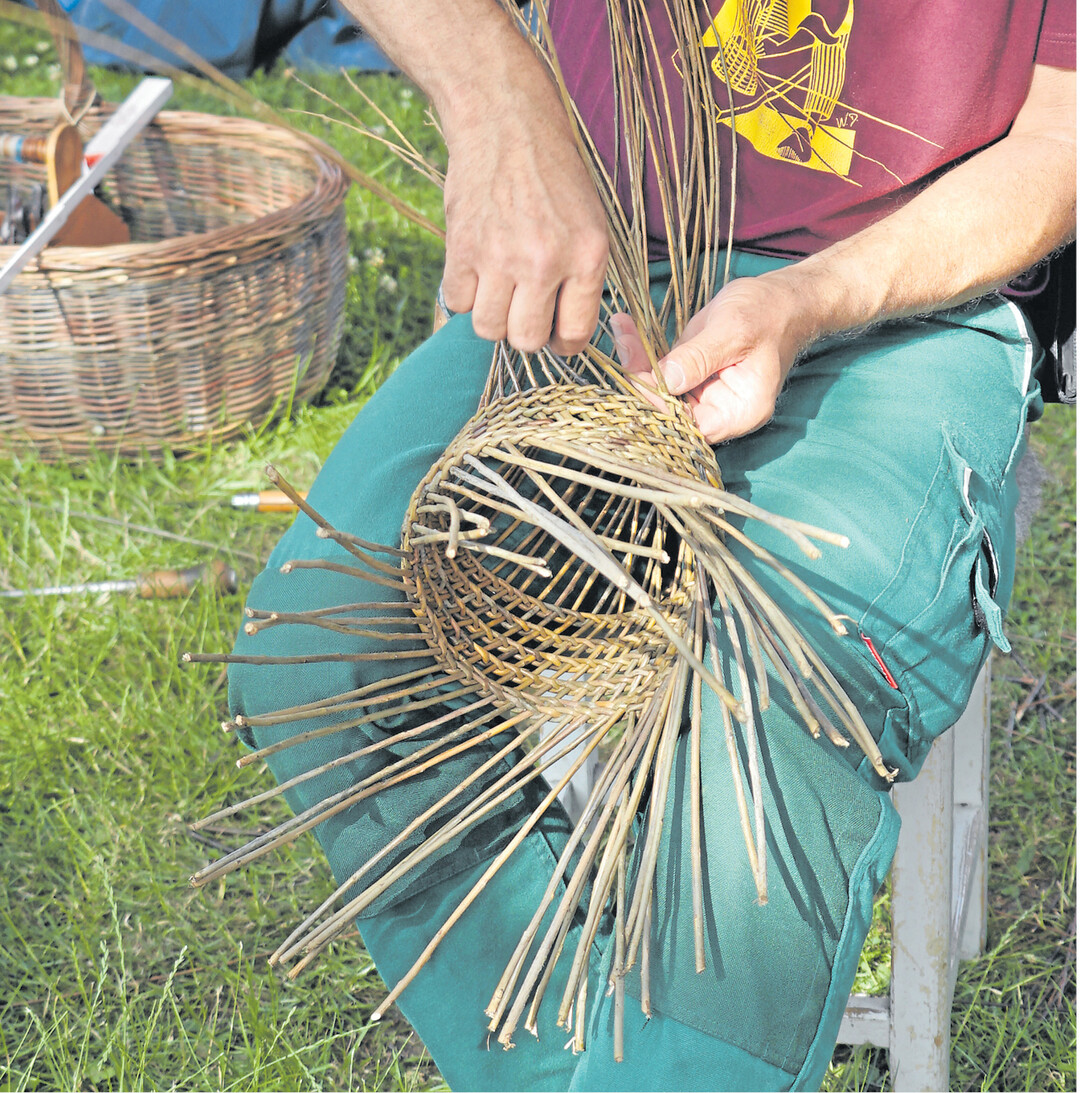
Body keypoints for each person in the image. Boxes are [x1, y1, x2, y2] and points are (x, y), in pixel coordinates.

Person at [224, 2, 1076, 1089]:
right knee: (321, 647)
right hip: (594, 250)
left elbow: (1061, 139)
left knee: (772, 701)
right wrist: (496, 99)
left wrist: (807, 299)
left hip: (911, 289)